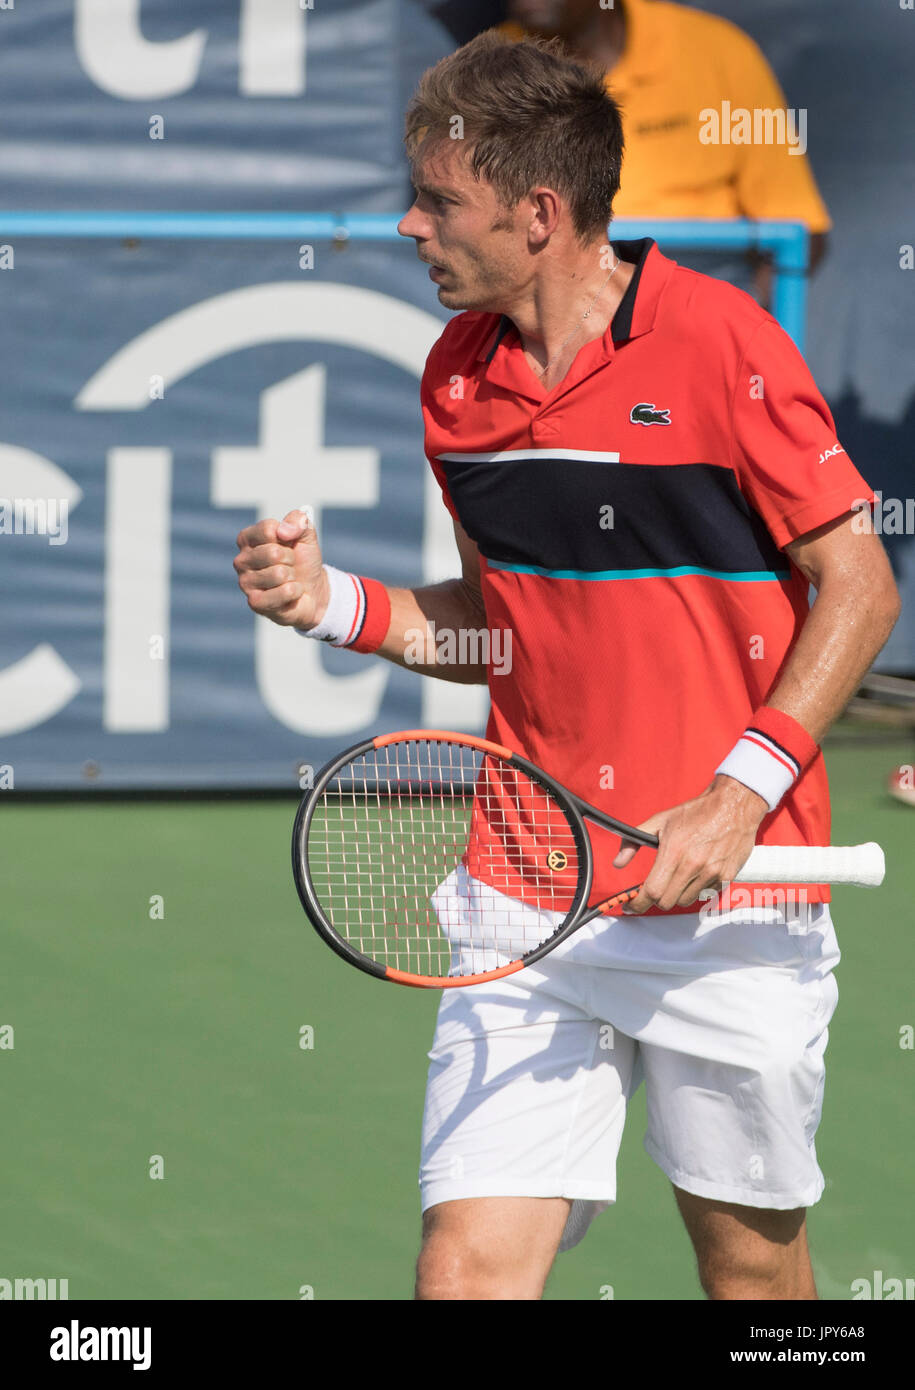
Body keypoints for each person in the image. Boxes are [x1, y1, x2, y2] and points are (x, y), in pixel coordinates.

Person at [234, 32, 899, 1299]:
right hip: (530, 890)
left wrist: (738, 791)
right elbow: (504, 624)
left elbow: (861, 585)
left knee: (753, 1278)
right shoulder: (457, 382)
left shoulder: (722, 345)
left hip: (735, 903)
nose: (407, 225)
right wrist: (337, 606)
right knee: (467, 1271)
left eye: (438, 201)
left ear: (539, 214)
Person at [500, 0, 831, 300]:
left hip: (700, 289)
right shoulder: (487, 73)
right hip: (544, 302)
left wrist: (733, 328)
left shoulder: (719, 52)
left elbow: (801, 230)